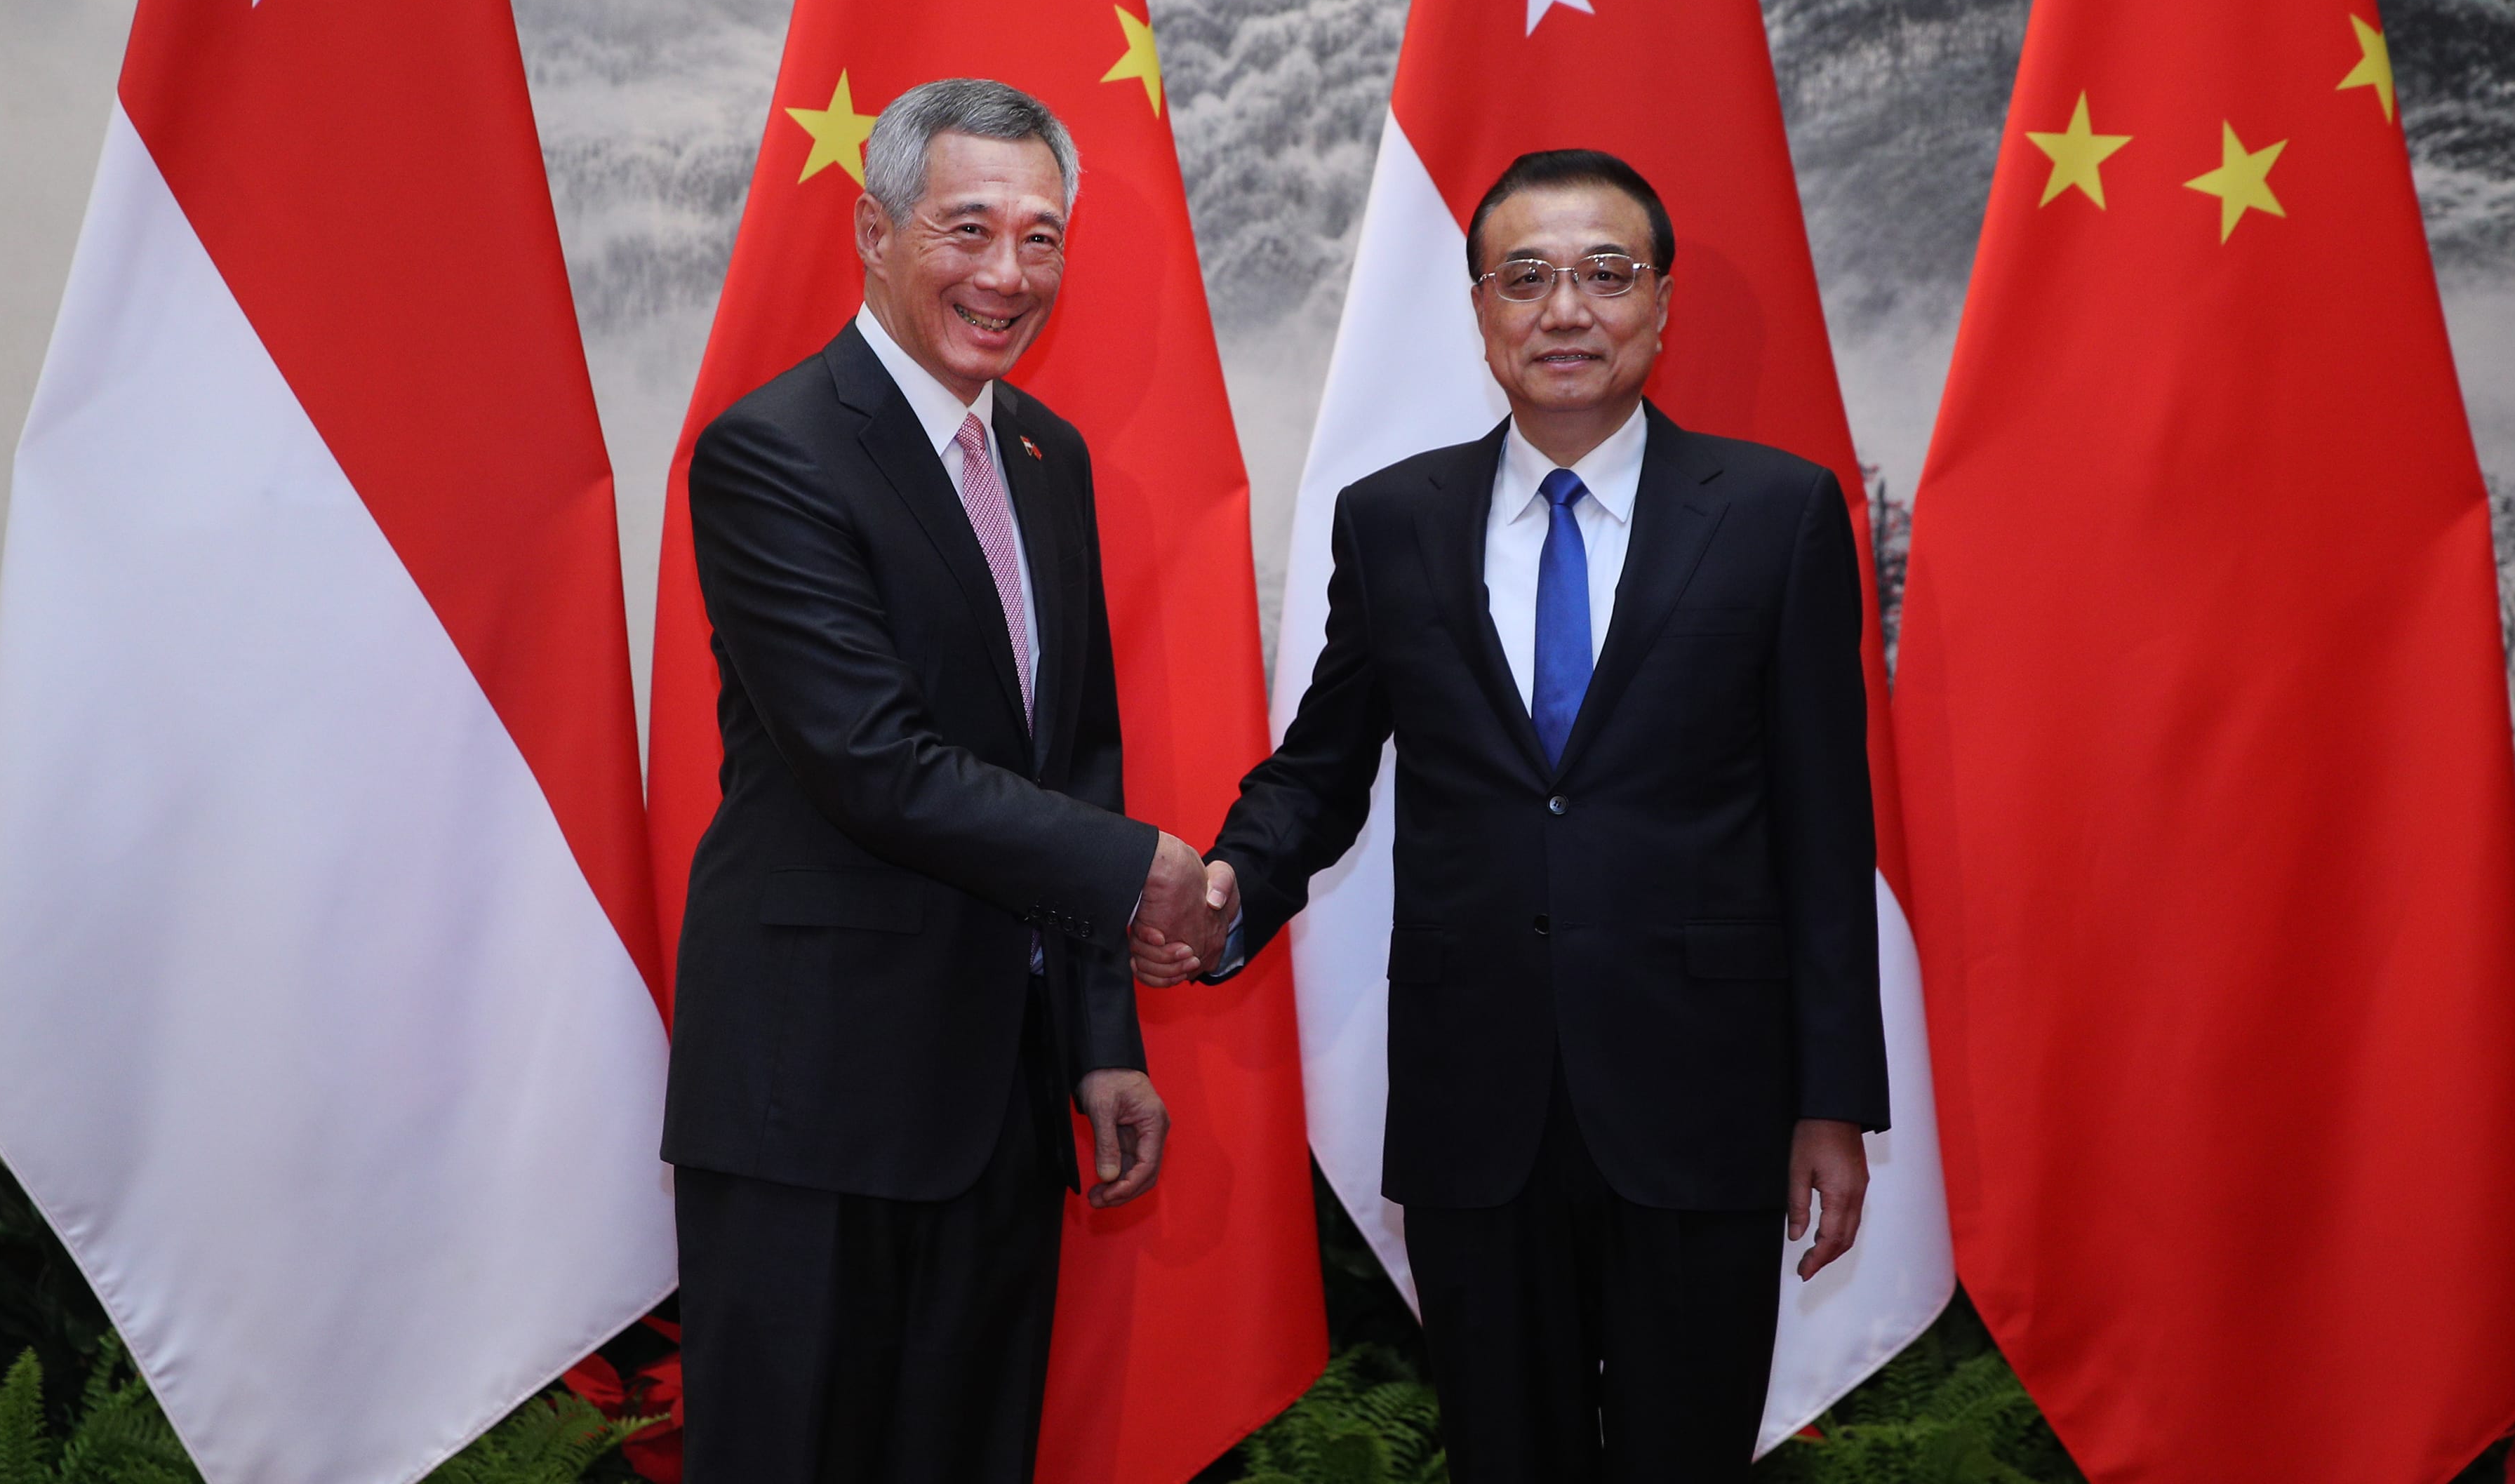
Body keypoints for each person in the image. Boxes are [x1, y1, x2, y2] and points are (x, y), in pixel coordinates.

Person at [1135, 149, 1891, 1480]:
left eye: (1607, 274)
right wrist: (1229, 889)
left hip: (1703, 1101)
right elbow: (1320, 770)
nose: (1566, 309)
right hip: (1475, 1103)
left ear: (1661, 305)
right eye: (1526, 277)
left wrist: (1830, 1102)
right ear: (1481, 311)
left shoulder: (1775, 517)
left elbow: (1825, 832)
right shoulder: (1391, 524)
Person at [665, 77, 1218, 1483]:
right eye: (968, 228)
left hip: (1001, 1104)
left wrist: (1100, 1040)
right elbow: (872, 762)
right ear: (874, 229)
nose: (1008, 273)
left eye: (1042, 238)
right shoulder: (772, 451)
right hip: (817, 1100)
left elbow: (1072, 756)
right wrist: (1144, 871)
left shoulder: (1045, 456)